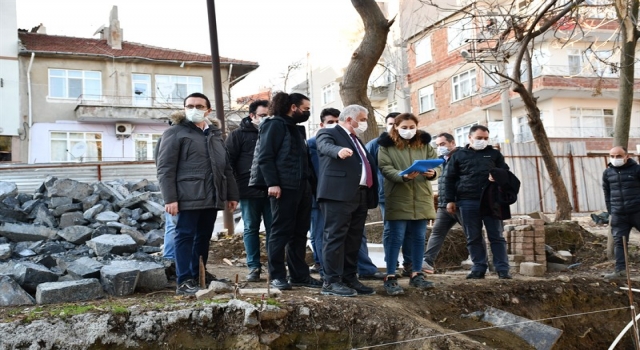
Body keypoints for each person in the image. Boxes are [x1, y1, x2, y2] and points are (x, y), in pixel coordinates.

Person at [156, 92, 239, 295]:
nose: (194, 109)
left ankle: (198, 274)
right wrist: (170, 198)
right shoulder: (175, 133)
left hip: (211, 196)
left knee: (203, 237)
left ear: (208, 110)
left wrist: (232, 194)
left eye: (199, 106)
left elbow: (225, 167)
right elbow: (165, 167)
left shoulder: (215, 135)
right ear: (184, 109)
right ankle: (183, 280)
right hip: (186, 195)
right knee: (184, 236)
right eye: (190, 105)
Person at [249, 92, 323, 290]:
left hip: (302, 187)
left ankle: (299, 275)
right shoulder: (274, 125)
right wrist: (272, 183)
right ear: (293, 107)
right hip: (284, 187)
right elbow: (265, 156)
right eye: (305, 109)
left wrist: (310, 185)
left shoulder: (297, 130)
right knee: (280, 232)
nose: (307, 112)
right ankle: (277, 275)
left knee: (299, 234)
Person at [316, 104, 379, 297]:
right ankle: (331, 281)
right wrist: (338, 151)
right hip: (337, 194)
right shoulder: (330, 132)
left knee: (354, 238)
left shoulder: (356, 140)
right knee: (335, 237)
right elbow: (325, 146)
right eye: (363, 119)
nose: (365, 123)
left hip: (359, 194)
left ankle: (349, 277)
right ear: (350, 119)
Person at [378, 113, 438, 295]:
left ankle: (416, 273)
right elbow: (385, 167)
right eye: (404, 127)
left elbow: (437, 164)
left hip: (421, 197)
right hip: (398, 196)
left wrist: (432, 173)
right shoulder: (386, 145)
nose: (408, 131)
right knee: (395, 237)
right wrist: (402, 176)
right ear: (396, 127)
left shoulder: (425, 143)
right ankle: (390, 275)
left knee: (419, 237)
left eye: (412, 127)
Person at [444, 125, 511, 280]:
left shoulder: (494, 154)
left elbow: (506, 172)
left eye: (486, 138)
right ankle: (478, 268)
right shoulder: (459, 155)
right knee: (473, 237)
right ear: (470, 138)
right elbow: (450, 179)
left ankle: (502, 269)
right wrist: (450, 200)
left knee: (496, 236)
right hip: (467, 201)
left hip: (491, 201)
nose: (483, 141)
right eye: (479, 138)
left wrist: (497, 175)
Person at [226, 99, 272, 282]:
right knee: (251, 228)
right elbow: (228, 163)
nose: (266, 119)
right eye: (263, 115)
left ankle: (275, 268)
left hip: (272, 190)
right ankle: (254, 267)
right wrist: (233, 191)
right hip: (248, 190)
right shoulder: (237, 135)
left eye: (270, 115)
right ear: (252, 116)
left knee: (273, 230)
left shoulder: (274, 132)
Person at [365, 112, 411, 279]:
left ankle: (410, 264)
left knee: (410, 230)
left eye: (396, 124)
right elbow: (367, 168)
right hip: (387, 194)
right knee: (392, 230)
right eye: (390, 123)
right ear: (386, 125)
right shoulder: (375, 144)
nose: (393, 127)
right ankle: (392, 265)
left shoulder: (412, 143)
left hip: (410, 193)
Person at [423, 132, 463, 274]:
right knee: (437, 232)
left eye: (443, 144)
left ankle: (483, 263)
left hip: (461, 204)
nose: (440, 148)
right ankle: (427, 262)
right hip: (443, 204)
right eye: (438, 145)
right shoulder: (440, 160)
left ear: (452, 143)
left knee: (472, 234)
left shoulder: (462, 156)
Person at [308, 108, 341, 275]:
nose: (334, 125)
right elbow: (316, 172)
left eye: (337, 121)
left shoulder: (343, 143)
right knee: (319, 233)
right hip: (318, 195)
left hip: (337, 195)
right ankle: (323, 267)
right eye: (330, 122)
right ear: (322, 124)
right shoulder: (313, 144)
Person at [602, 146, 640, 280]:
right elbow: (607, 193)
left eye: (618, 156)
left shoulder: (637, 170)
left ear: (626, 156)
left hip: (637, 211)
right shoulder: (608, 173)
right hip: (619, 215)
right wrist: (611, 211)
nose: (615, 159)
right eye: (612, 156)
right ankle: (620, 271)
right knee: (620, 242)